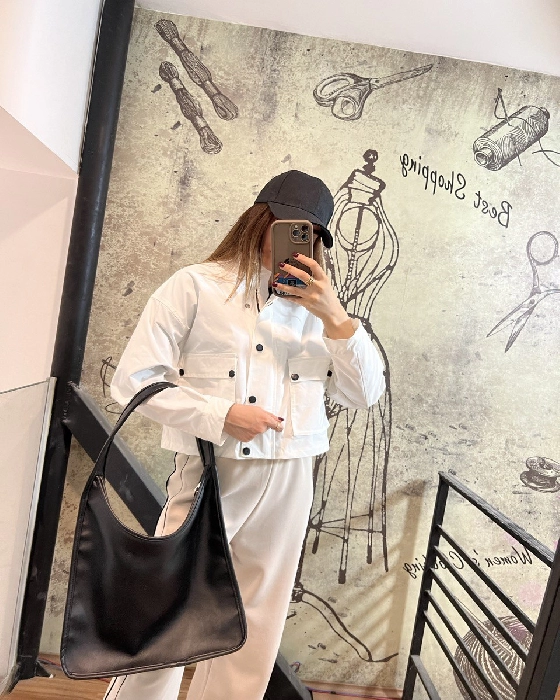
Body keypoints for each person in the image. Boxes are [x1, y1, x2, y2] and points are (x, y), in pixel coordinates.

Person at [103, 170, 386, 700]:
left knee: (257, 620)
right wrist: (220, 415)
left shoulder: (322, 312)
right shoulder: (196, 285)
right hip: (212, 470)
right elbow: (133, 381)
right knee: (167, 606)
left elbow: (364, 393)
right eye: (286, 226)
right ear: (260, 219)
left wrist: (334, 314)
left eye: (310, 235)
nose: (295, 242)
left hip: (292, 474)